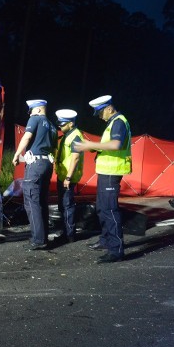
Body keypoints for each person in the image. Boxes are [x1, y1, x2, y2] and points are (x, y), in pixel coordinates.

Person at [75, 95, 132, 263]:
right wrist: (95, 148)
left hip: (112, 171)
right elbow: (109, 146)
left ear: (109, 108)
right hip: (105, 170)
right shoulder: (112, 122)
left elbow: (116, 145)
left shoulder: (119, 121)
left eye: (100, 113)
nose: (99, 116)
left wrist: (90, 145)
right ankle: (106, 240)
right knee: (102, 208)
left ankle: (116, 250)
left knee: (110, 210)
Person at [12, 99, 58, 250]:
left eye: (31, 110)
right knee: (42, 201)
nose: (30, 114)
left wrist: (16, 154)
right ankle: (43, 236)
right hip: (47, 164)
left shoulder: (35, 119)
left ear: (37, 110)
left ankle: (38, 240)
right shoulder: (52, 126)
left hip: (35, 166)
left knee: (32, 201)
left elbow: (27, 137)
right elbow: (49, 149)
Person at [53, 109, 84, 244]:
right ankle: (66, 232)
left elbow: (75, 158)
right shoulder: (68, 134)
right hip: (63, 175)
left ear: (71, 123)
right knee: (63, 206)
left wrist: (68, 177)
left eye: (63, 124)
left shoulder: (76, 136)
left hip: (68, 178)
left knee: (67, 205)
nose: (60, 126)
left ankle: (69, 235)